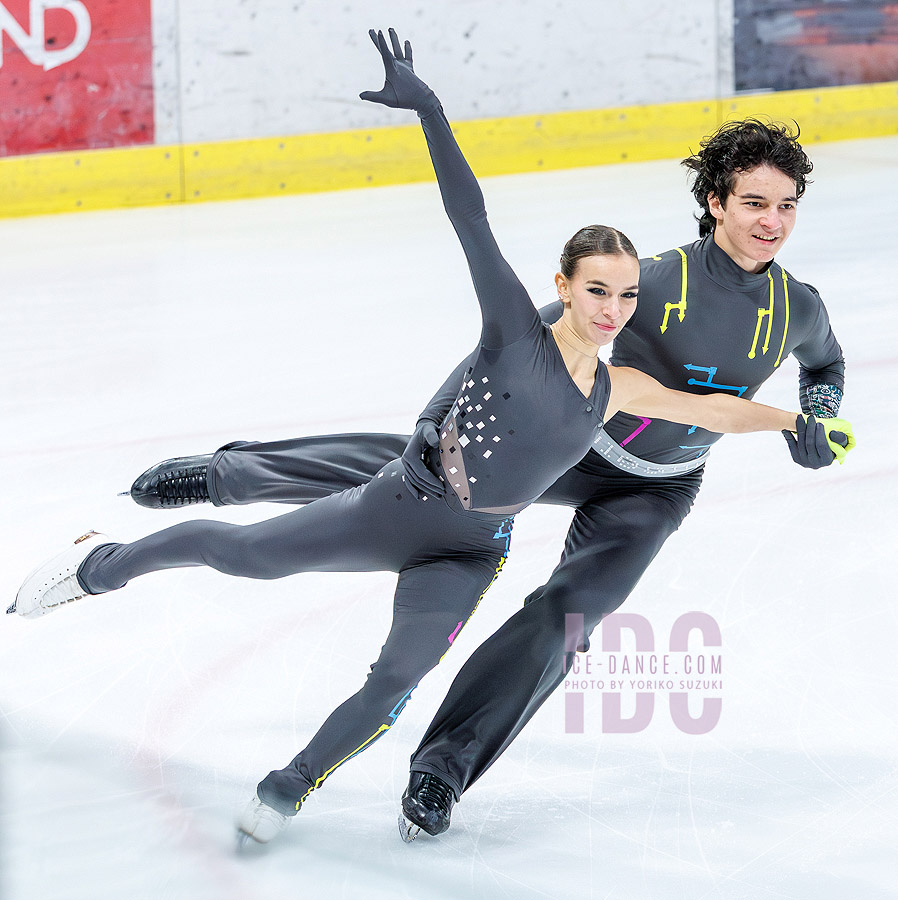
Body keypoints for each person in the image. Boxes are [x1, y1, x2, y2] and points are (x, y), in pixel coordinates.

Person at [8, 29, 853, 847]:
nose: (772, 221)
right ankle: (225, 478)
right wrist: (437, 415)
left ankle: (442, 770)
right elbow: (514, 342)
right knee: (418, 465)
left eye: (786, 206)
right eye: (753, 203)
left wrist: (814, 416)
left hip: (654, 484)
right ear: (715, 202)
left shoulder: (798, 306)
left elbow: (823, 368)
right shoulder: (645, 281)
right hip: (575, 441)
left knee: (571, 617)